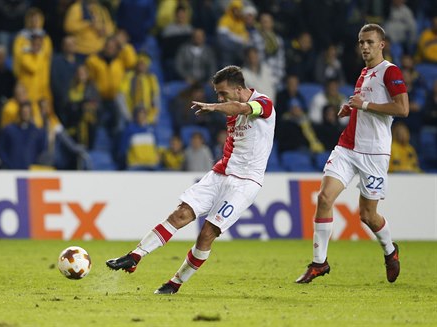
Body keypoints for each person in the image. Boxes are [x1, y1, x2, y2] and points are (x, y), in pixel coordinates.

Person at [106, 65, 275, 294]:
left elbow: (243, 107)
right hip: (220, 173)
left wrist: (214, 106)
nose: (219, 97)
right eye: (217, 94)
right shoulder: (231, 110)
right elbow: (235, 112)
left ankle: (174, 283)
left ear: (238, 89)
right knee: (180, 214)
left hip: (245, 183)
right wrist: (220, 105)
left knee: (207, 234)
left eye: (223, 93)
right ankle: (135, 256)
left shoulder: (264, 104)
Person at [295, 24, 408, 284]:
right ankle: (319, 263)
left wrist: (365, 105)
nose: (364, 47)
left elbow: (402, 109)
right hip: (347, 147)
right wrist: (353, 109)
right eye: (361, 42)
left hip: (374, 153)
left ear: (382, 44)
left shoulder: (390, 71)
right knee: (324, 197)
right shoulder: (364, 73)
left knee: (367, 215)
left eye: (369, 42)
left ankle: (390, 251)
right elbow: (366, 107)